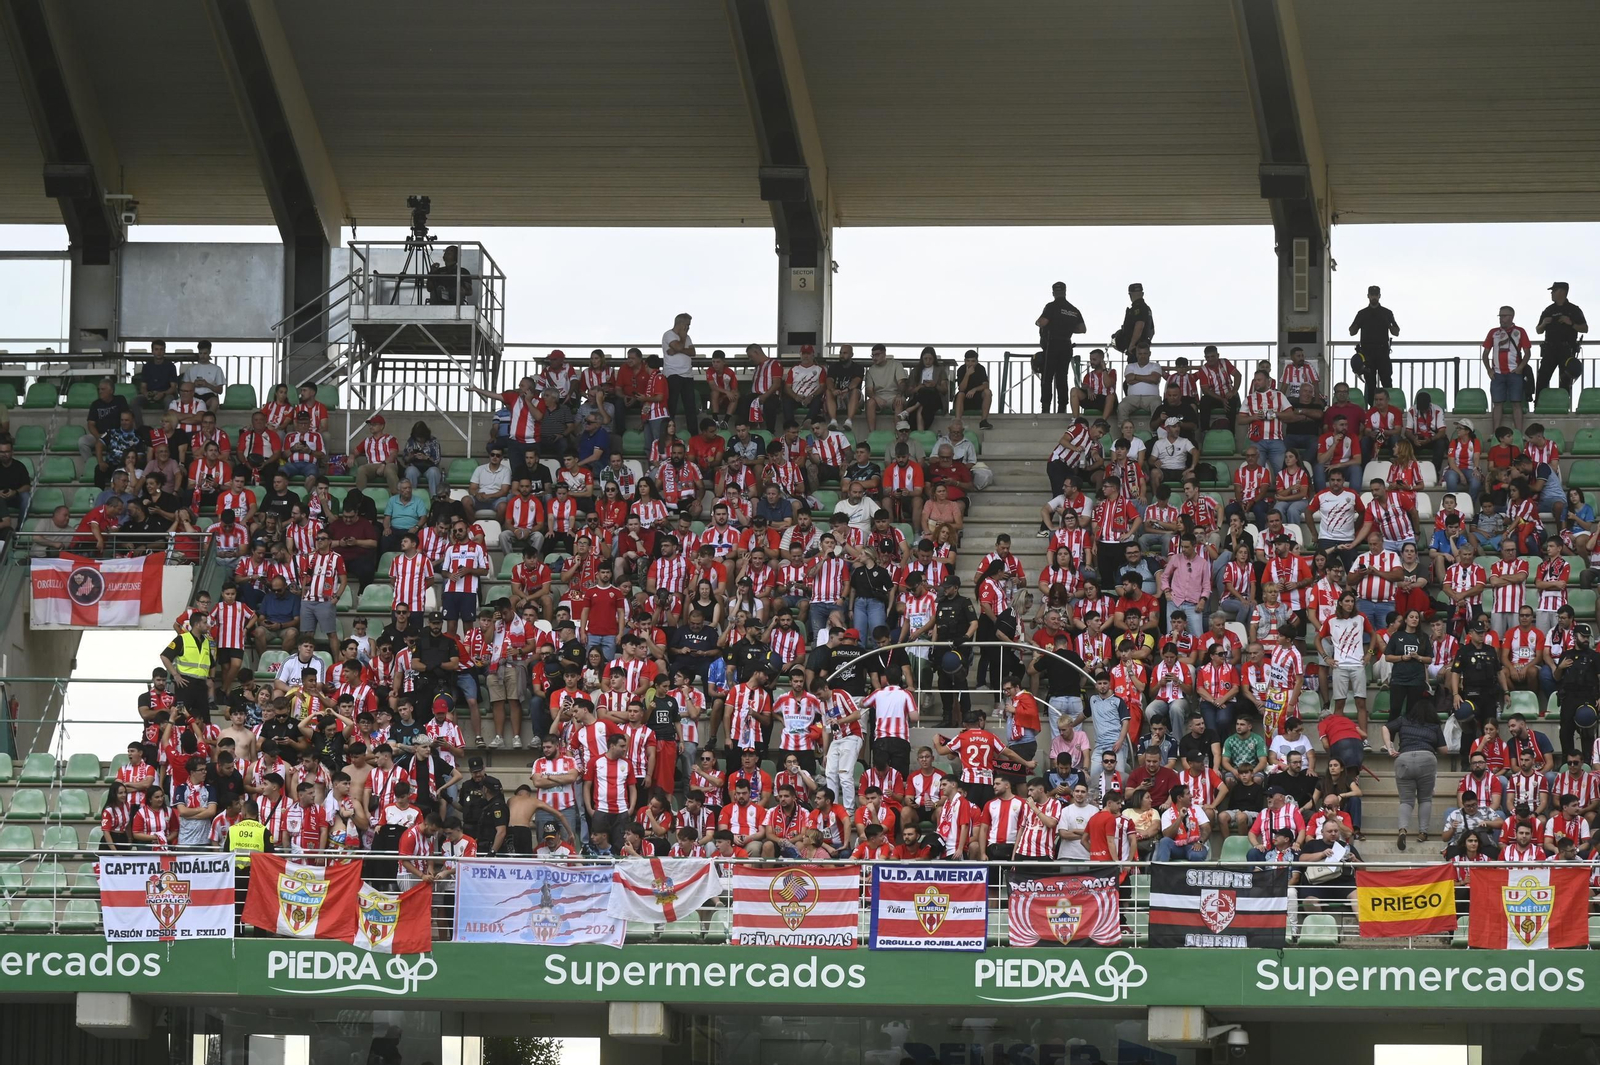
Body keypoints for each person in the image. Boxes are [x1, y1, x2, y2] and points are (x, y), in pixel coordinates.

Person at [1381, 698, 1447, 851]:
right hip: (1427, 759)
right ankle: (1423, 832)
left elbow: (1385, 727)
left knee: (1406, 801)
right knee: (1425, 799)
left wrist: (1390, 747)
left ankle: (1403, 830)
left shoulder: (1403, 721)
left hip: (1403, 758)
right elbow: (1444, 750)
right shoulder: (1434, 726)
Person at [1035, 281, 1086, 414]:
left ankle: (1046, 408)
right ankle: (1062, 407)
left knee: (1047, 377)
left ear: (1053, 293)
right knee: (1062, 378)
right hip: (1066, 345)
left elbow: (1043, 322)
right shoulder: (1073, 309)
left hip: (1052, 345)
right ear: (1065, 292)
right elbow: (1082, 329)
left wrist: (1037, 322)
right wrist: (1067, 328)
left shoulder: (1051, 306)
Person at [1482, 305, 1532, 432]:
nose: (1501, 319)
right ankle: (1496, 434)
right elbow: (1485, 353)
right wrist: (1489, 370)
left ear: (1511, 317)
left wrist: (1520, 368)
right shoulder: (1493, 332)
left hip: (1514, 372)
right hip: (1497, 373)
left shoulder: (1520, 331)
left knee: (1517, 403)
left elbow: (1527, 353)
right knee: (1497, 404)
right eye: (1500, 316)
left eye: (1504, 316)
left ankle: (1519, 433)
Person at [1348, 284, 1400, 400]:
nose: (1374, 297)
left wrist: (1388, 324)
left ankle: (1388, 406)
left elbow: (1396, 332)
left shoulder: (1387, 313)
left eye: (1376, 295)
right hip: (1367, 353)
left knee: (1386, 381)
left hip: (1382, 352)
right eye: (1372, 295)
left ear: (1379, 296)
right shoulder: (1362, 313)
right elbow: (1352, 331)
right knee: (1370, 382)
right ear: (1368, 296)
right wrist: (1357, 324)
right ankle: (1372, 409)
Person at [1536, 281, 1588, 393]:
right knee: (1542, 378)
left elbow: (1585, 328)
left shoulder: (1574, 310)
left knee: (1565, 380)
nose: (1551, 294)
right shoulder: (1549, 310)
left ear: (1562, 292)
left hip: (1566, 350)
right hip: (1549, 349)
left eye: (1553, 291)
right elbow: (1538, 330)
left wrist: (1571, 324)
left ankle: (1564, 405)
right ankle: (1538, 406)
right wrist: (1544, 323)